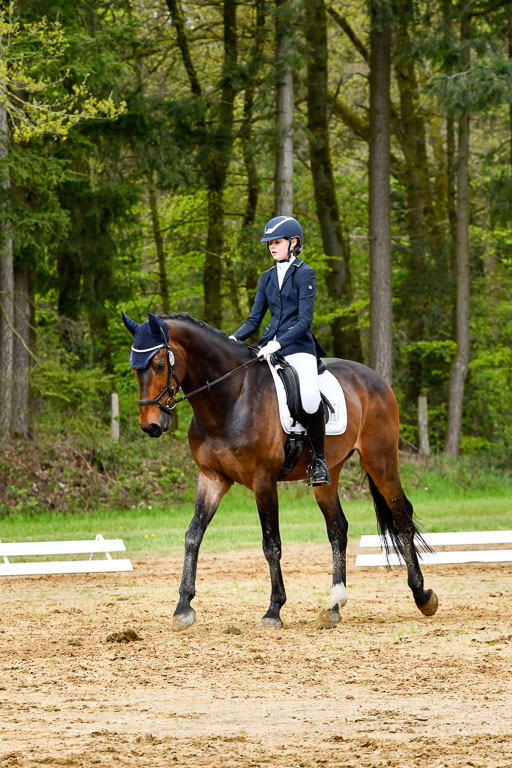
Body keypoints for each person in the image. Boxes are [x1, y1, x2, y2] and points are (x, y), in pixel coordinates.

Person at [230, 215, 330, 486]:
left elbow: (304, 321)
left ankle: (319, 461)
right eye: (269, 243)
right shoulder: (266, 278)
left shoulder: (305, 273)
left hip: (298, 347)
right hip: (268, 348)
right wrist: (232, 339)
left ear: (293, 242)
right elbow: (254, 319)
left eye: (277, 242)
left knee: (309, 397)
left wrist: (280, 342)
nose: (272, 247)